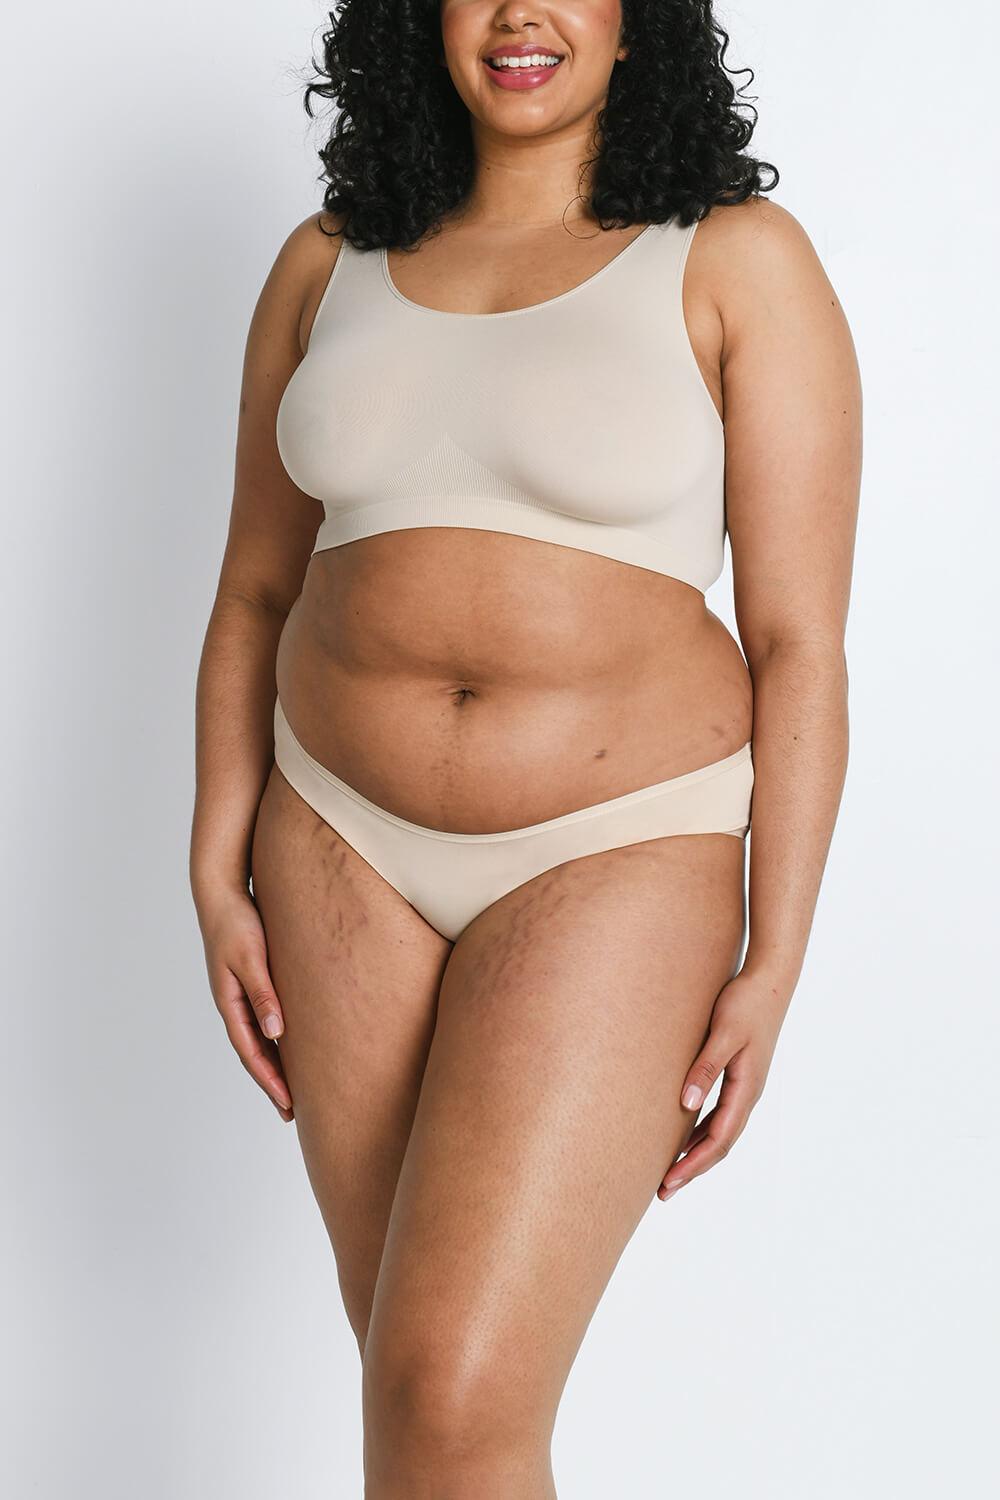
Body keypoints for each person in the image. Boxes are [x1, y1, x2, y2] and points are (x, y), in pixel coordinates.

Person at [189, 1, 862, 1493]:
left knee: (454, 1390)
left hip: (617, 847)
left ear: (639, 22)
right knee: (416, 1401)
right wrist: (215, 862)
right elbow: (253, 590)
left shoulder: (736, 258)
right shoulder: (325, 262)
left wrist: (776, 956)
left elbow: (801, 641)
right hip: (336, 839)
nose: (518, 14)